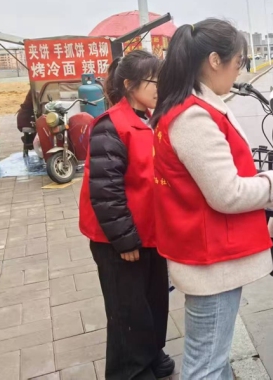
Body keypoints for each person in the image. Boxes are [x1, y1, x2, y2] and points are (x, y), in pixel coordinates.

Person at [150, 19, 273, 380]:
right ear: (215, 60)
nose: (238, 74)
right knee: (205, 366)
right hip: (211, 260)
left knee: (214, 358)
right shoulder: (193, 117)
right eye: (238, 63)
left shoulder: (194, 106)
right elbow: (228, 193)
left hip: (210, 254)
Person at [79, 51, 174, 380]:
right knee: (127, 310)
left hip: (148, 233)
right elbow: (106, 191)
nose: (159, 86)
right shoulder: (111, 125)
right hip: (117, 238)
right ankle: (129, 371)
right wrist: (124, 240)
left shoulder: (148, 119)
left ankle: (150, 354)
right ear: (129, 84)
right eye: (153, 80)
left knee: (153, 300)